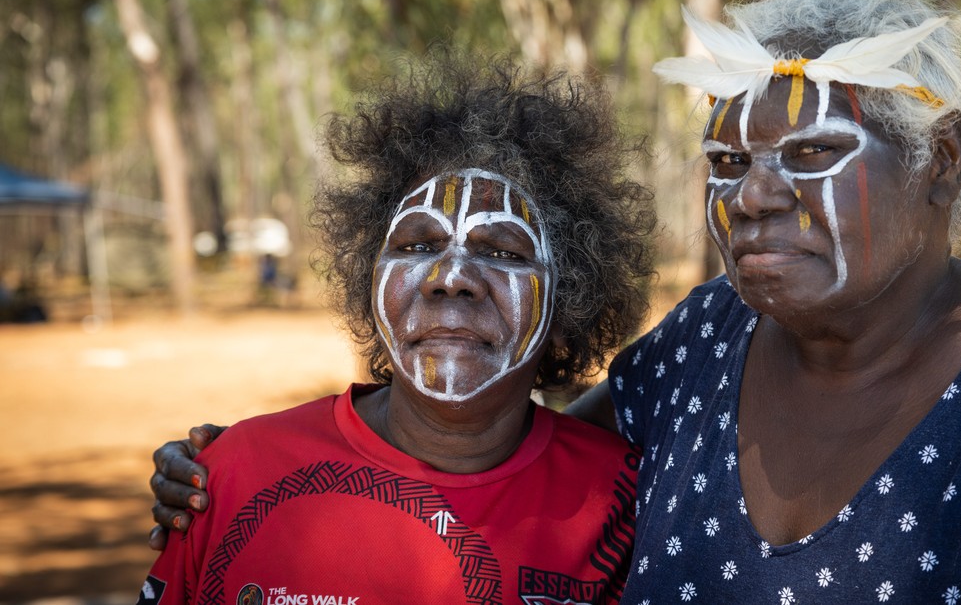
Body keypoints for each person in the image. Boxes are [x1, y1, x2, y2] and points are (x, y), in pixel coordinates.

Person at [150, 0, 961, 604]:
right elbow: (509, 453)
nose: (756, 197)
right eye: (729, 165)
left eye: (813, 152)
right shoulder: (708, 341)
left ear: (940, 157)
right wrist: (252, 470)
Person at [136, 51, 655, 604]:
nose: (451, 277)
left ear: (567, 302)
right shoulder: (232, 477)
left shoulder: (626, 504)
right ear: (371, 280)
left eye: (503, 251)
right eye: (418, 245)